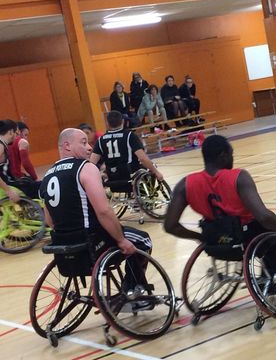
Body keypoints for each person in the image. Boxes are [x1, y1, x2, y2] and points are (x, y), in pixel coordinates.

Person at [40, 128, 152, 297]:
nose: (90, 148)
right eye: (84, 143)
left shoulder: (47, 176)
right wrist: (121, 240)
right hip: (92, 241)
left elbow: (50, 221)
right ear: (67, 146)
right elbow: (104, 211)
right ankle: (132, 288)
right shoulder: (86, 168)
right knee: (143, 240)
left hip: (64, 244)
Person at [164, 134, 276, 248]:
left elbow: (170, 225)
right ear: (223, 156)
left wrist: (201, 237)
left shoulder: (184, 185)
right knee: (275, 223)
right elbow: (263, 217)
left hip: (215, 238)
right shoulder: (239, 177)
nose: (232, 159)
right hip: (246, 236)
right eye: (231, 154)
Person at [90, 111, 163, 183]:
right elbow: (142, 158)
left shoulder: (100, 139)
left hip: (112, 175)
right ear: (123, 121)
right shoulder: (129, 136)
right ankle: (145, 191)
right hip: (129, 173)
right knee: (152, 166)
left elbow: (92, 163)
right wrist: (156, 172)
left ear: (107, 123)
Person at [0, 120, 40, 201]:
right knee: (42, 187)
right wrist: (8, 191)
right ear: (11, 132)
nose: (16, 136)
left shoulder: (3, 145)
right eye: (16, 133)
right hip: (9, 185)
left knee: (32, 182)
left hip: (11, 182)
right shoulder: (0, 146)